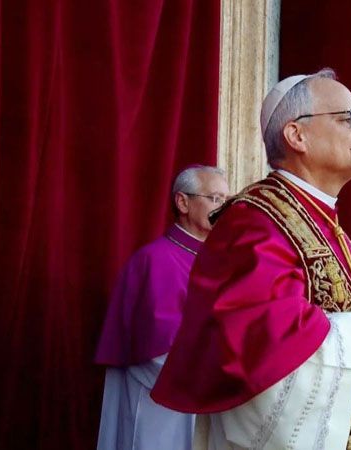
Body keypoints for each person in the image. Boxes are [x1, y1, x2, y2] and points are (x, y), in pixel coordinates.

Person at [151, 69, 351, 450]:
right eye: (349, 119)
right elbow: (261, 357)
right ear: (297, 135)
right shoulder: (254, 223)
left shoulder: (327, 224)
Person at [94, 165, 231, 450]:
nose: (224, 208)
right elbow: (156, 347)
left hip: (204, 398)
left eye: (226, 200)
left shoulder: (216, 260)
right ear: (183, 202)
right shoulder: (157, 260)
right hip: (161, 402)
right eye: (215, 199)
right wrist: (222, 377)